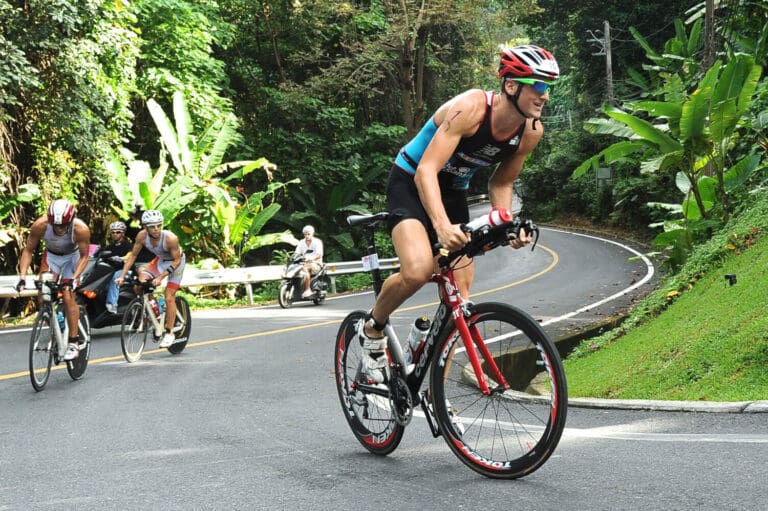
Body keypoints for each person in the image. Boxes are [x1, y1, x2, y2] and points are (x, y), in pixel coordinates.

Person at [356, 44, 559, 384]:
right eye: (538, 86)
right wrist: (441, 226)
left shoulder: (530, 131)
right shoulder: (471, 108)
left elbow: (502, 183)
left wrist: (506, 225)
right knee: (419, 269)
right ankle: (373, 329)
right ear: (511, 85)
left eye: (549, 88)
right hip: (411, 178)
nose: (545, 96)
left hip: (453, 192)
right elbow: (425, 171)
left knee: (460, 298)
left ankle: (435, 390)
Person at [16, 199, 91, 361]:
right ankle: (58, 325)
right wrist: (22, 277)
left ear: (71, 221)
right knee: (43, 295)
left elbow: (85, 256)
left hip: (73, 257)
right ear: (50, 221)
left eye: (64, 225)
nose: (60, 229)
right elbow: (28, 250)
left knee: (67, 293)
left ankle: (73, 342)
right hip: (51, 256)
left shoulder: (80, 229)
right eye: (56, 226)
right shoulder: (40, 225)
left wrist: (73, 278)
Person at [115, 210, 185, 348]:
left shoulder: (170, 238)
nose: (157, 229)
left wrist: (160, 277)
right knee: (139, 284)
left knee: (169, 296)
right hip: (161, 260)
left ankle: (170, 332)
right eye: (152, 226)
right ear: (145, 227)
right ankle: (156, 314)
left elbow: (176, 261)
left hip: (176, 263)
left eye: (159, 225)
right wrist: (122, 276)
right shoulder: (142, 236)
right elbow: (133, 257)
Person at [104, 221, 132, 314]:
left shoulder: (127, 245)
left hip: (126, 271)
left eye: (118, 232)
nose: (115, 234)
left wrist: (122, 258)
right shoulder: (110, 246)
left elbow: (130, 255)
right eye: (113, 232)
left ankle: (112, 304)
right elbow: (99, 253)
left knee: (115, 277)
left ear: (123, 233)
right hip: (111, 270)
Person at [293, 225, 324, 298]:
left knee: (306, 268)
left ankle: (308, 289)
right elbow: (296, 253)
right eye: (305, 234)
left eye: (308, 234)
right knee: (295, 269)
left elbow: (319, 254)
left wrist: (312, 258)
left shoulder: (317, 242)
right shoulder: (301, 242)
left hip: (316, 264)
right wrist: (292, 257)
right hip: (304, 263)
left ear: (312, 234)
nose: (306, 236)